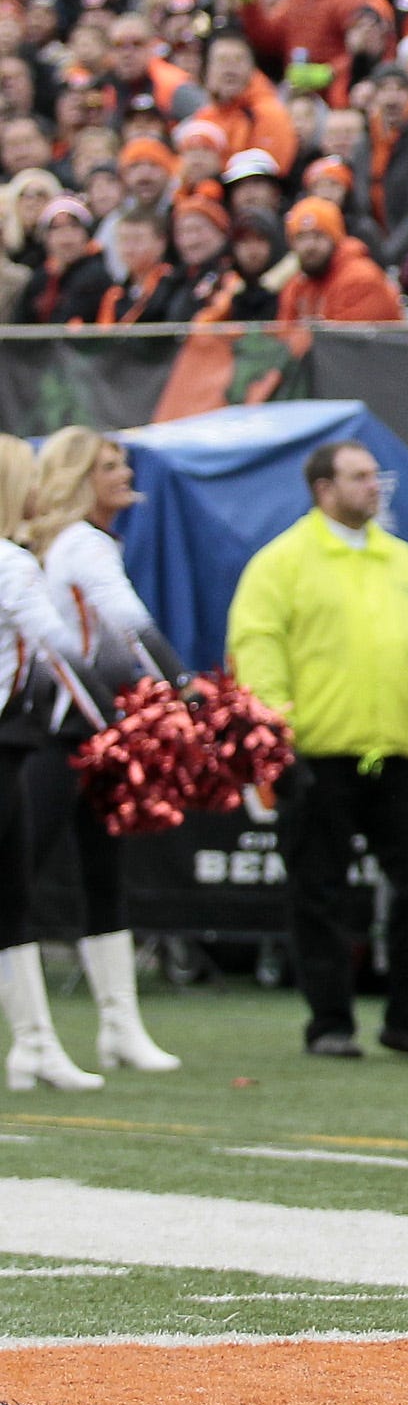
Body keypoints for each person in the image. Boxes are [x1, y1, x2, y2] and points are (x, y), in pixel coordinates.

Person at [227, 439, 408, 1062]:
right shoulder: (281, 563)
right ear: (323, 488)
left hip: (399, 753)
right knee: (320, 892)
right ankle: (329, 1023)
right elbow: (258, 658)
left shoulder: (404, 561)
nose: (374, 487)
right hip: (319, 756)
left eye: (375, 476)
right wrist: (280, 747)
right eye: (359, 477)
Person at [8, 429, 180, 1081]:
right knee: (19, 872)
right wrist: (185, 691)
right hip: (64, 731)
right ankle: (36, 1037)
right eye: (108, 465)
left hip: (89, 728)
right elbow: (131, 626)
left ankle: (119, 1027)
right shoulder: (82, 543)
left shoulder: (83, 542)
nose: (123, 473)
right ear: (79, 478)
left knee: (104, 870)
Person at [0, 435, 96, 1091]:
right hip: (6, 743)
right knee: (9, 893)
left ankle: (33, 1045)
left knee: (11, 895)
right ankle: (33, 1046)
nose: (40, 489)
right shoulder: (13, 563)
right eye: (29, 477)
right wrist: (135, 709)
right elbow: (60, 643)